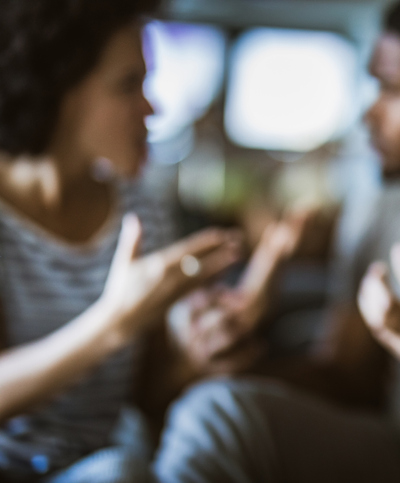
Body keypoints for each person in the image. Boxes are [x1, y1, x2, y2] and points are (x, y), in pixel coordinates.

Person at [151, 1, 400, 482]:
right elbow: (347, 374)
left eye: (393, 90)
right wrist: (219, 372)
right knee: (214, 412)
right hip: (391, 443)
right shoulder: (383, 205)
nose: (369, 114)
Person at [0, 1, 301, 481]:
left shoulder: (140, 208)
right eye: (128, 84)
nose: (152, 106)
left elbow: (149, 396)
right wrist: (112, 323)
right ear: (59, 90)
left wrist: (201, 354)